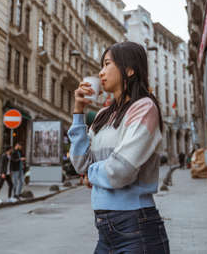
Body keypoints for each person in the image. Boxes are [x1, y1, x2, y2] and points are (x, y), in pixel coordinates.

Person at [68, 41, 169, 253]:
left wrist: (90, 175)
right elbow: (79, 163)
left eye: (107, 64)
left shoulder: (144, 108)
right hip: (106, 230)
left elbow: (121, 170)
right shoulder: (104, 115)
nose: (101, 72)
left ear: (129, 69)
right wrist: (78, 112)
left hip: (137, 226)